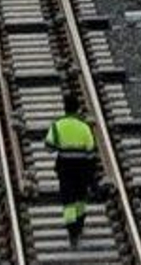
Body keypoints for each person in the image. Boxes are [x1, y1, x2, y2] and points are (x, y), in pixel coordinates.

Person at [45, 92, 99, 244]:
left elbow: (49, 147)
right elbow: (91, 151)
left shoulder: (57, 125)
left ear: (65, 108)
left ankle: (72, 231)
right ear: (77, 108)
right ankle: (80, 223)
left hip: (65, 168)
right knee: (80, 197)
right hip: (82, 168)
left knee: (68, 199)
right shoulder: (84, 127)